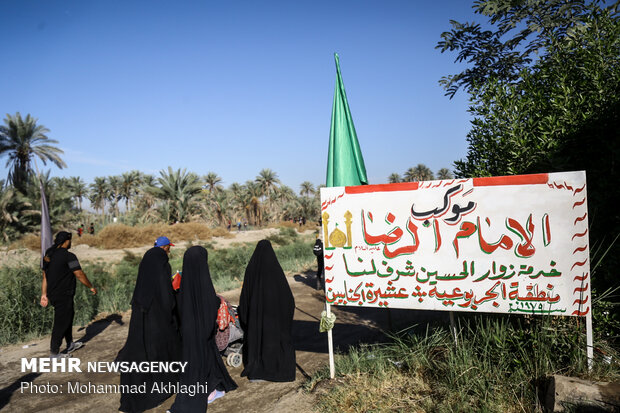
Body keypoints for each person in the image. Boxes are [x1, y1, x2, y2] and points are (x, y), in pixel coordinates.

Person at [116, 236, 182, 413]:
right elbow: (165, 295)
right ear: (166, 247)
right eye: (169, 248)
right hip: (157, 316)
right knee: (160, 348)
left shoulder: (147, 260)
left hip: (141, 310)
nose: (170, 251)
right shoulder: (162, 263)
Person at [168, 246, 237, 412]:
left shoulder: (181, 289)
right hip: (203, 334)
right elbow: (211, 307)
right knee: (197, 368)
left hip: (187, 334)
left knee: (198, 362)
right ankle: (195, 400)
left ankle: (213, 388)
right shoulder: (204, 284)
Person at [238, 240, 296, 382]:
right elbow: (289, 300)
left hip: (256, 320)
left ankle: (258, 371)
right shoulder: (276, 270)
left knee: (258, 340)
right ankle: (275, 370)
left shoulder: (251, 269)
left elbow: (244, 298)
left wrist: (248, 318)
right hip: (275, 321)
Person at [40, 231, 97, 358]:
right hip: (63, 294)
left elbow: (45, 276)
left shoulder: (48, 255)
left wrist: (44, 294)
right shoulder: (69, 256)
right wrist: (91, 286)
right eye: (69, 240)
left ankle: (70, 344)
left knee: (68, 317)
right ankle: (54, 353)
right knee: (61, 322)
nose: (70, 242)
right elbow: (79, 274)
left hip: (53, 293)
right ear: (66, 241)